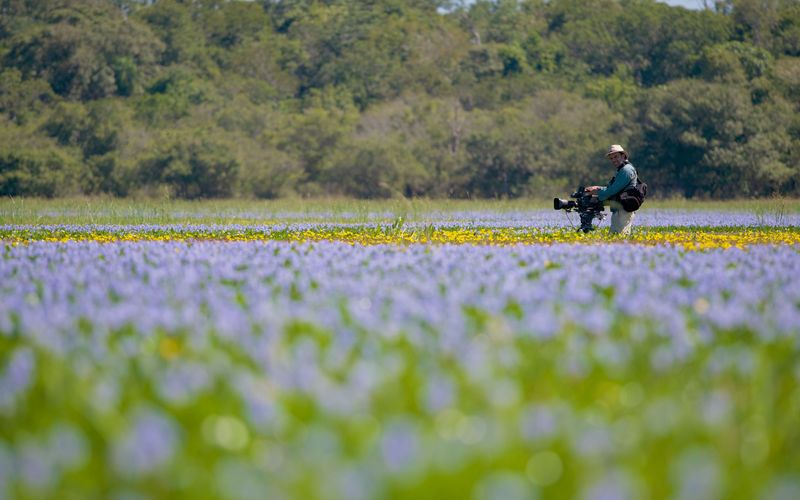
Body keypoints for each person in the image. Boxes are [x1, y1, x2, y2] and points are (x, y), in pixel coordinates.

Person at [584, 144, 638, 235]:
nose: (613, 160)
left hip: (623, 210)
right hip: (620, 209)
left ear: (623, 156)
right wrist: (598, 188)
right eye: (611, 158)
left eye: (616, 157)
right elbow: (614, 188)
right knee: (617, 238)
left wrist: (597, 193)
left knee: (617, 238)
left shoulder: (626, 170)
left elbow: (612, 191)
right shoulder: (622, 169)